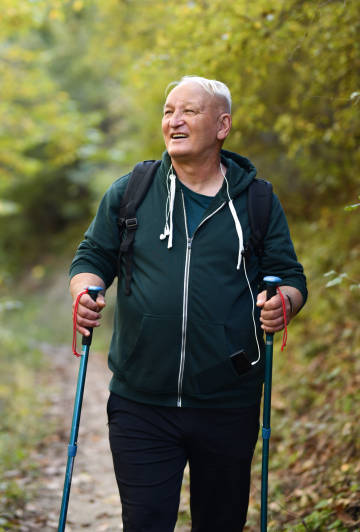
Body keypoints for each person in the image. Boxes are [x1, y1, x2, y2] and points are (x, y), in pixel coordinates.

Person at [69, 75, 307, 531]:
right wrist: (84, 290)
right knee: (145, 523)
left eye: (189, 112)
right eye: (167, 111)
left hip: (228, 400)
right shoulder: (132, 192)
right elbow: (91, 257)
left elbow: (290, 276)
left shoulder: (256, 199)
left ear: (222, 126)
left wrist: (284, 303)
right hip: (141, 400)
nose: (173, 121)